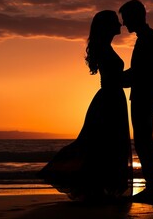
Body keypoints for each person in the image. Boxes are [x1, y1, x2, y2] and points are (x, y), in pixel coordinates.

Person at [37, 10, 133, 202]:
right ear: (107, 26)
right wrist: (137, 73)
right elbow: (116, 79)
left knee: (102, 144)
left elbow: (116, 79)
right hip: (110, 100)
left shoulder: (104, 47)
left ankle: (99, 188)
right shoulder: (105, 49)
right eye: (116, 22)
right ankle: (95, 187)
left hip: (110, 98)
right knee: (103, 143)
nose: (120, 25)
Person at [119, 0, 153, 204]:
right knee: (143, 141)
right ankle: (152, 187)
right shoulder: (146, 37)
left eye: (126, 18)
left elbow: (140, 72)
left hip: (144, 96)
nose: (124, 23)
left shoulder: (148, 38)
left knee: (144, 142)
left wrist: (116, 80)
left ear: (136, 16)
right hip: (145, 95)